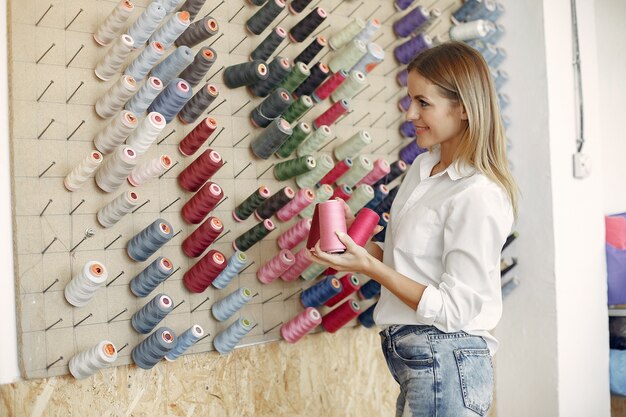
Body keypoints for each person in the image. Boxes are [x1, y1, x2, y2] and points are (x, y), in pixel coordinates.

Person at [307, 41, 517, 417]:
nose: (410, 113)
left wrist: (371, 268)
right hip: (420, 358)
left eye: (423, 103)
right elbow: (409, 261)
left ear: (464, 109)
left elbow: (454, 308)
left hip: (446, 355)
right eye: (410, 100)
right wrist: (357, 252)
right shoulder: (422, 170)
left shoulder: (477, 194)